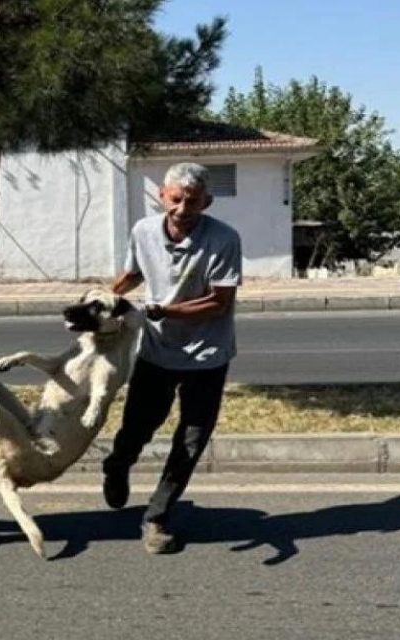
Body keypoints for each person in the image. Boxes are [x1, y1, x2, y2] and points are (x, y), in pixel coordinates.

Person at [103, 162, 242, 554]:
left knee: (192, 440)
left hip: (207, 355)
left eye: (193, 202)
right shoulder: (143, 231)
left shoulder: (224, 239)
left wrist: (163, 310)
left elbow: (219, 302)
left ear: (207, 202)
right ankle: (117, 464)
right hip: (157, 351)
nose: (183, 209)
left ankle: (157, 517)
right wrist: (105, 298)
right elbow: (132, 275)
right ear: (161, 196)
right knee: (137, 427)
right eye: (176, 199)